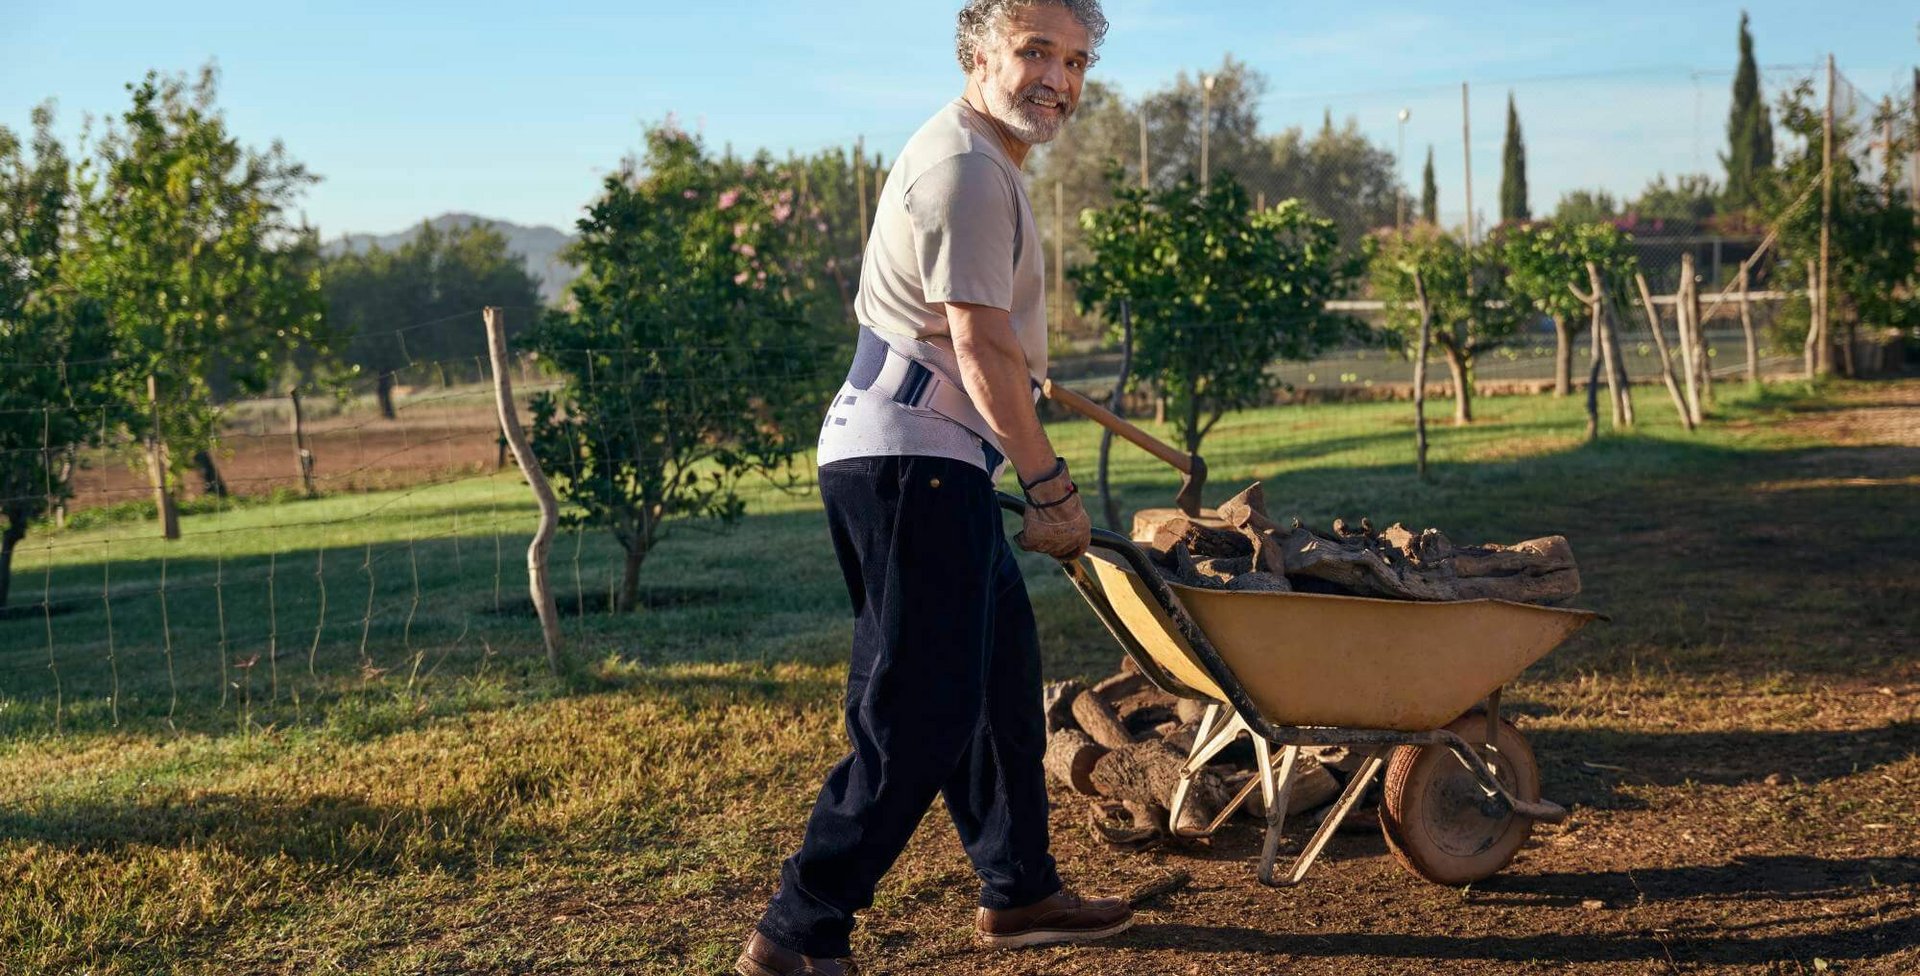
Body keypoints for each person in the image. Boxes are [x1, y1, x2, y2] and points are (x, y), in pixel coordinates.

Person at [735, 2, 1132, 974]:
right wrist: (1049, 484)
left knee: (998, 687)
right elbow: (979, 342)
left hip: (930, 457)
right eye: (1035, 51)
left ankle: (1021, 889)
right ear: (978, 54)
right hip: (911, 462)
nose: (1059, 79)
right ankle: (798, 929)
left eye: (1076, 60)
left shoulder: (984, 160)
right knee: (920, 707)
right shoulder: (966, 167)